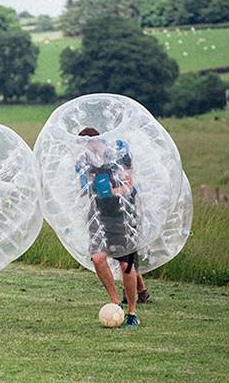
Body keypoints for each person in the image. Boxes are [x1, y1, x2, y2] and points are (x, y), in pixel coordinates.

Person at [76, 127, 140, 328]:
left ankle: (132, 312)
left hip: (122, 215)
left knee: (126, 265)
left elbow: (129, 185)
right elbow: (83, 191)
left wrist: (111, 191)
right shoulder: (83, 162)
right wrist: (89, 185)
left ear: (96, 140)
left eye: (88, 142)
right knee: (97, 258)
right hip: (98, 214)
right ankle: (115, 301)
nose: (86, 147)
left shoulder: (118, 156)